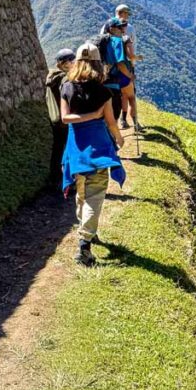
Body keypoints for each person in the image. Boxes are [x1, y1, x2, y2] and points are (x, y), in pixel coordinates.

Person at [60, 42, 126, 267]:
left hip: (76, 149)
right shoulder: (103, 92)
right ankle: (84, 246)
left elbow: (65, 118)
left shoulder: (66, 87)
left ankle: (88, 230)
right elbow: (110, 121)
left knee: (81, 192)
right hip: (97, 149)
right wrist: (118, 137)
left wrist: (84, 117)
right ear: (99, 64)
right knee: (95, 195)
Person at [45, 48, 75, 189]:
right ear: (66, 63)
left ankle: (54, 178)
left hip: (54, 118)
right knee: (69, 149)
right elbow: (68, 99)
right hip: (65, 118)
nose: (74, 63)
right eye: (72, 60)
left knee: (58, 147)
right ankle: (68, 180)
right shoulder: (65, 79)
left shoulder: (52, 77)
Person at [114, 3, 144, 132]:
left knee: (121, 95)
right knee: (131, 95)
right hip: (126, 67)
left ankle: (122, 120)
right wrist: (137, 58)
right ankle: (135, 122)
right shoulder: (128, 31)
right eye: (126, 13)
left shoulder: (108, 27)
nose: (127, 16)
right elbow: (130, 54)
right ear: (121, 13)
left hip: (111, 69)